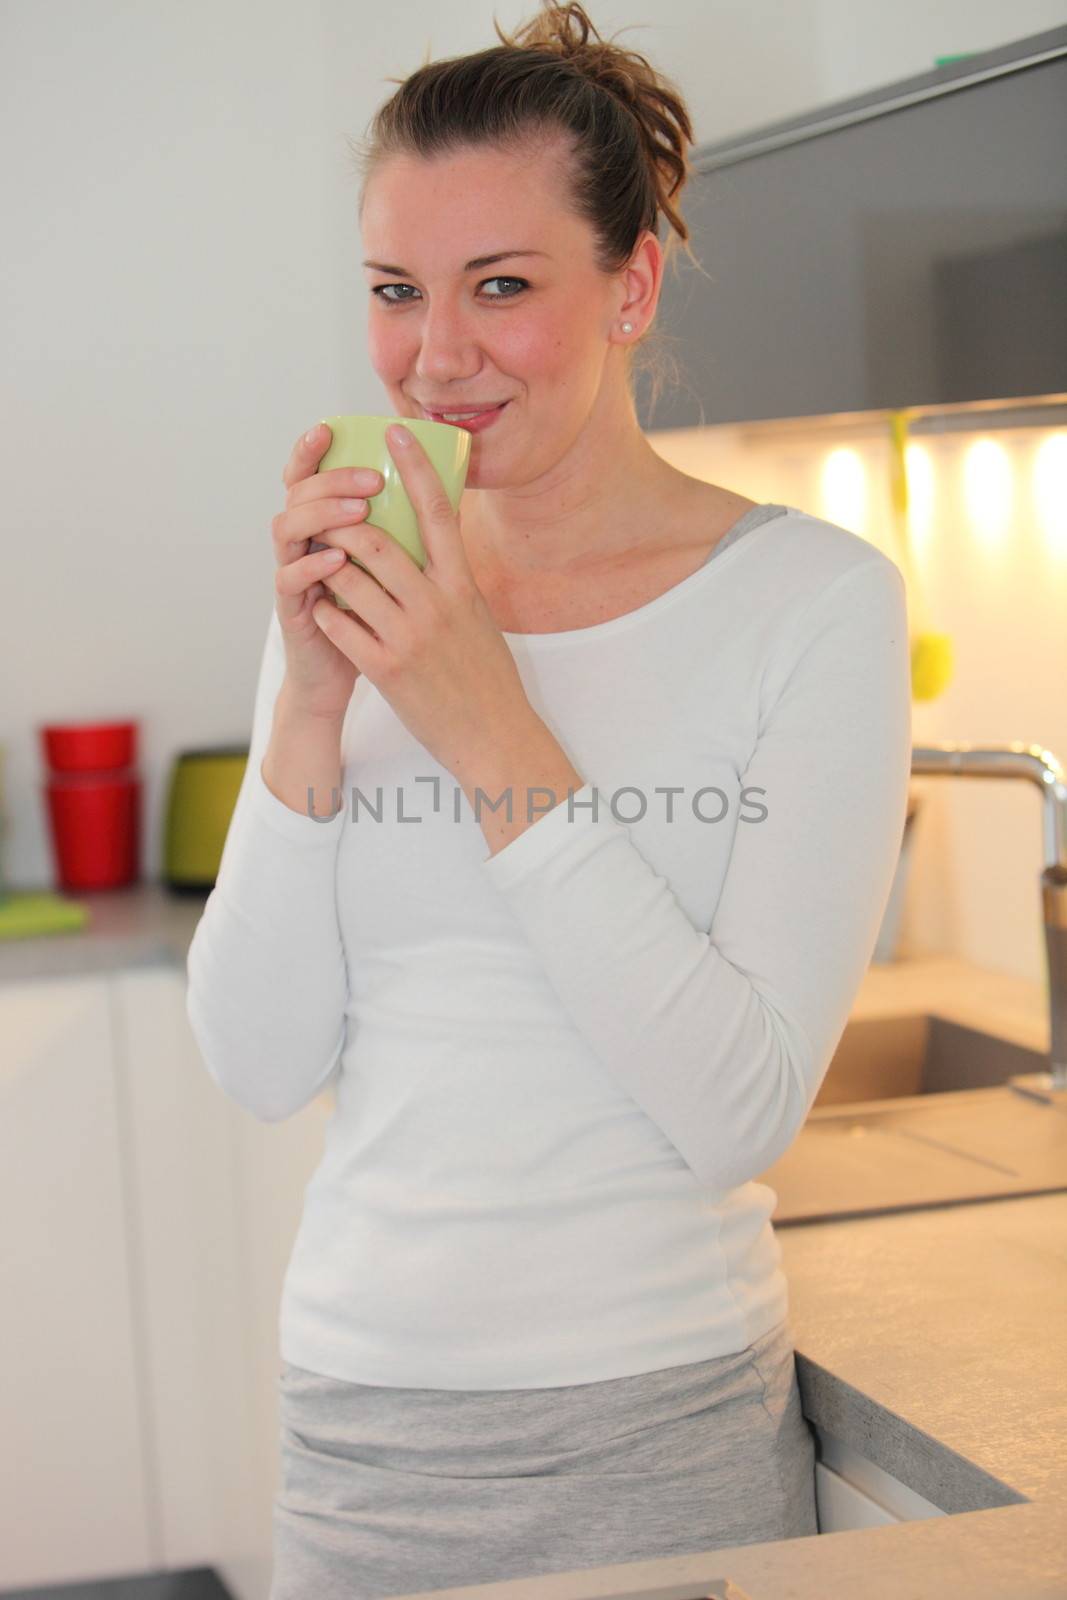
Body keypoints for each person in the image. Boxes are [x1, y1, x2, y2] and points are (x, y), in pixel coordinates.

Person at [185, 2, 913, 1595]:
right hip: (360, 1433)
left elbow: (736, 1112)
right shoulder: (356, 590)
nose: (436, 356)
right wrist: (315, 699)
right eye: (396, 293)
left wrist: (484, 721)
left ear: (630, 285)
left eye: (501, 286)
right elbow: (255, 1060)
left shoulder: (810, 605)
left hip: (655, 1441)